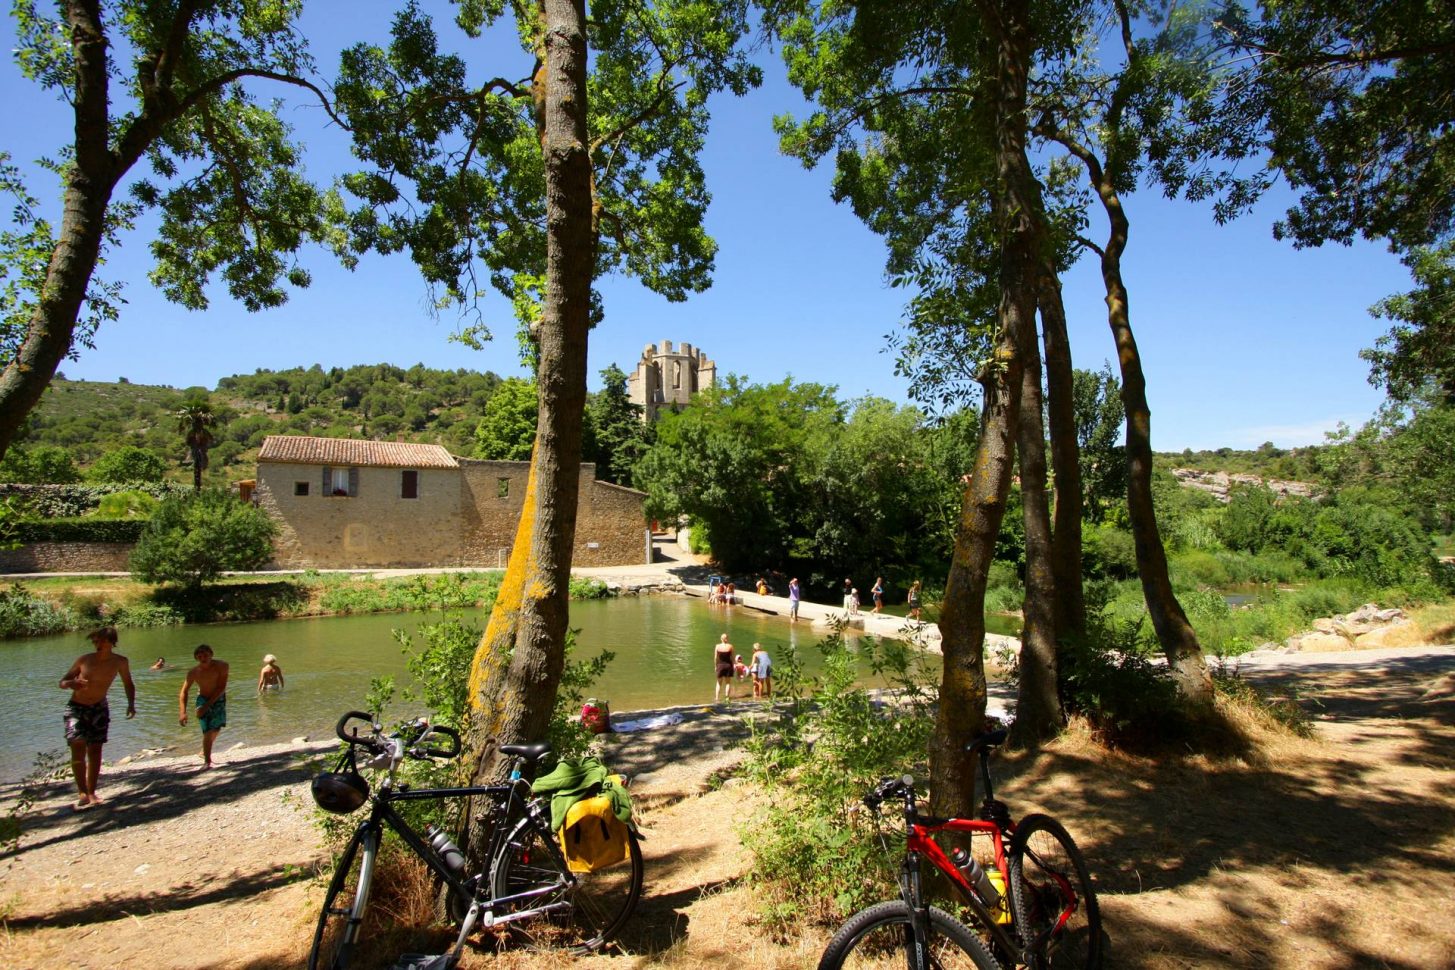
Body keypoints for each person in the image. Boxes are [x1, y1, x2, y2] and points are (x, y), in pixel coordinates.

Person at [60, 627, 136, 809]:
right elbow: (62, 682)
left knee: (95, 750)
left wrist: (131, 704)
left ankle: (92, 791)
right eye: (95, 641)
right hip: (76, 708)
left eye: (101, 641)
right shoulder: (84, 660)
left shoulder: (120, 662)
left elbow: (128, 683)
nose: (97, 644)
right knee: (77, 746)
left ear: (111, 642)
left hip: (99, 708)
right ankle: (82, 792)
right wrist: (72, 683)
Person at [179, 644, 230, 768]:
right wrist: (182, 712)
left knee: (216, 728)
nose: (203, 658)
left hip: (218, 698)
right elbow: (184, 691)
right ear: (196, 658)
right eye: (200, 656)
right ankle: (207, 762)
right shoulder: (194, 672)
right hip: (202, 699)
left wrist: (208, 705)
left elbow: (221, 687)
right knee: (207, 730)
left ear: (211, 654)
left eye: (206, 655)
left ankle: (203, 751)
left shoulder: (222, 666)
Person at [713, 633, 736, 702]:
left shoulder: (717, 646)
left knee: (719, 683)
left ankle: (717, 698)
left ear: (721, 639)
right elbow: (732, 657)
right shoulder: (730, 646)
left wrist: (715, 666)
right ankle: (727, 698)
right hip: (728, 665)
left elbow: (715, 657)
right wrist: (734, 665)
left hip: (720, 665)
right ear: (727, 639)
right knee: (728, 683)